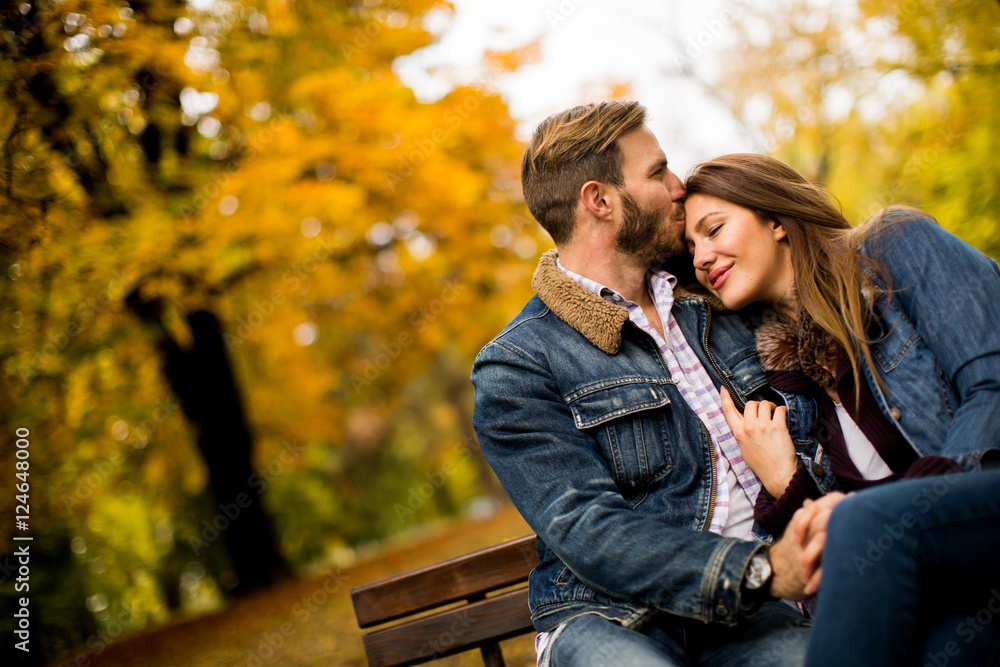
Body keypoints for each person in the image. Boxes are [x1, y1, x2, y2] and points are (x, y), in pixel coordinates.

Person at [471, 101, 812, 666]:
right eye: (657, 172)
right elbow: (587, 528)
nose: (680, 187)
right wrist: (758, 571)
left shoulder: (715, 299)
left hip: (750, 616)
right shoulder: (518, 365)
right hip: (613, 620)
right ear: (599, 201)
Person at [681, 153, 1000, 666]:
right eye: (691, 247)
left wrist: (917, 501)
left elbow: (994, 384)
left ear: (777, 219)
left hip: (980, 510)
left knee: (862, 521)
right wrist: (787, 481)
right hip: (959, 581)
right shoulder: (788, 385)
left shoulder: (897, 247)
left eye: (713, 229)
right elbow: (842, 555)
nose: (701, 256)